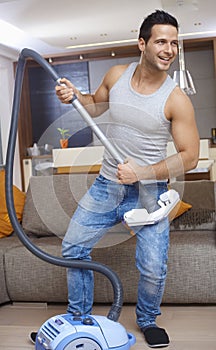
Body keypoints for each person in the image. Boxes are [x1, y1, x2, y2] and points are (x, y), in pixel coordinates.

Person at [30, 10, 199, 348]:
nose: (169, 50)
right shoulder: (117, 75)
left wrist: (144, 172)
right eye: (161, 41)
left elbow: (190, 157)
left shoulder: (175, 99)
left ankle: (148, 320)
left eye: (174, 43)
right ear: (142, 43)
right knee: (73, 247)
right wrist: (75, 97)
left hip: (149, 193)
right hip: (107, 185)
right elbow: (95, 106)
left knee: (152, 265)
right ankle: (77, 320)